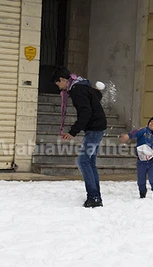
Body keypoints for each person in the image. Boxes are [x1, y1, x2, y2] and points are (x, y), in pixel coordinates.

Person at [51, 66, 107, 208]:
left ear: (63, 80)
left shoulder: (77, 90)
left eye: (58, 84)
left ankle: (94, 197)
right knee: (89, 162)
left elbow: (85, 113)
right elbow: (97, 98)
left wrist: (72, 132)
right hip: (98, 127)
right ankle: (96, 196)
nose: (59, 88)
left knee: (83, 161)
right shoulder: (83, 85)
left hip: (94, 128)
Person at [120, 116, 153, 200]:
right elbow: (135, 132)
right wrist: (128, 136)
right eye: (151, 121)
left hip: (152, 163)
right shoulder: (143, 131)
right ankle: (142, 195)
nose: (152, 123)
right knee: (141, 180)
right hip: (141, 161)